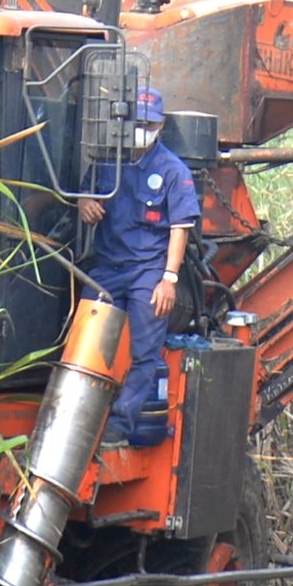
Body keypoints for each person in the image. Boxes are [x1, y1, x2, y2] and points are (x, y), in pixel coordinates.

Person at [76, 88, 199, 447]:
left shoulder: (173, 171)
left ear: (160, 126)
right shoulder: (106, 161)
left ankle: (119, 426)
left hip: (149, 270)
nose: (140, 129)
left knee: (145, 349)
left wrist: (168, 280)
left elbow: (180, 227)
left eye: (147, 123)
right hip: (107, 266)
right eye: (135, 123)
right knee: (88, 338)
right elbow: (85, 194)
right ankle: (82, 417)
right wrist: (85, 204)